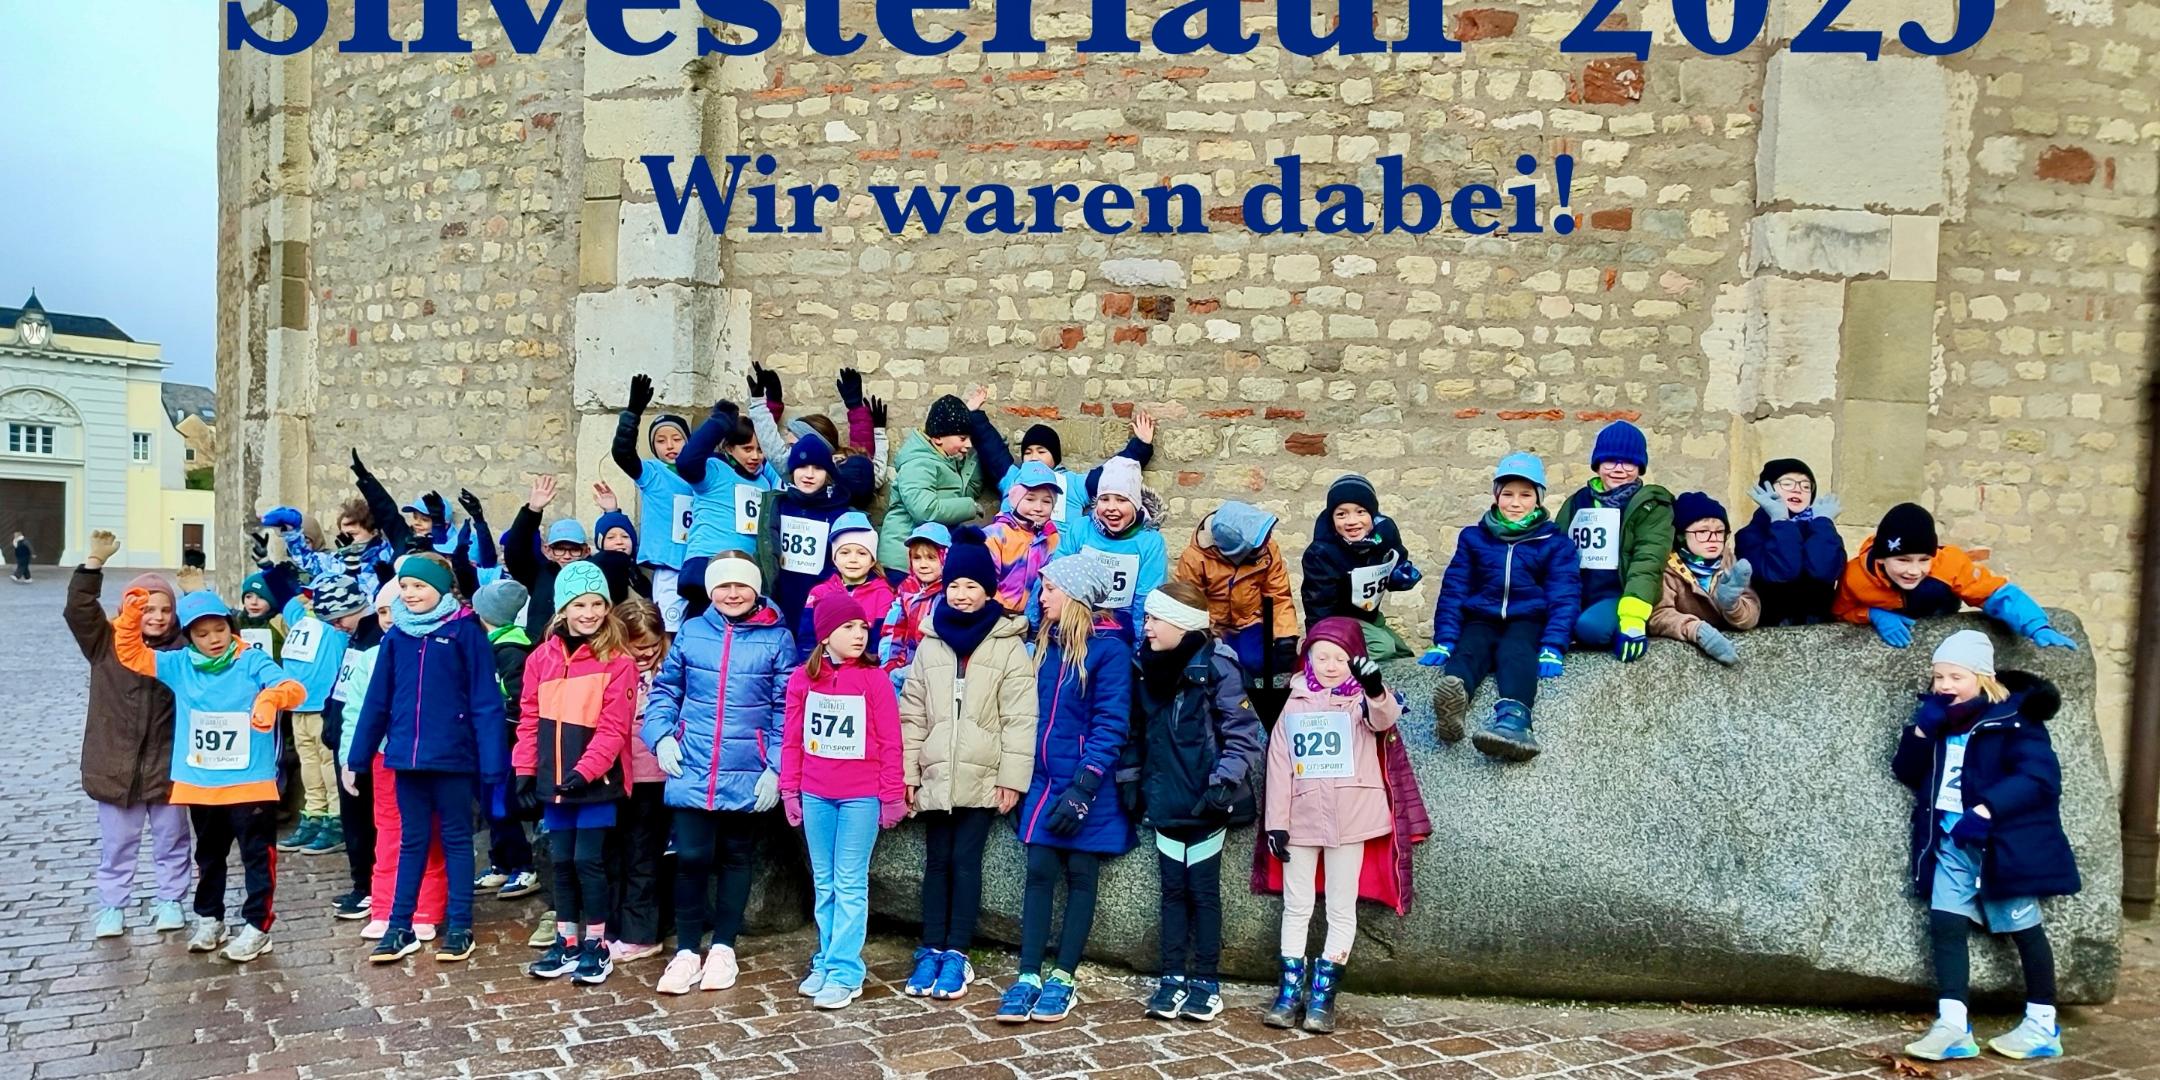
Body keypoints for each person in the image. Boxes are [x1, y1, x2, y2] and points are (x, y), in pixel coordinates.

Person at [1893, 631, 2078, 1062]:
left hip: (2000, 846)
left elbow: (2039, 778)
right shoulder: (1940, 720)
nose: (1945, 686)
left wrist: (1987, 809)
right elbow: (1906, 770)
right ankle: (1953, 1024)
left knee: (2023, 927)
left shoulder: (2014, 719)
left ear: (1982, 678)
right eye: (1939, 677)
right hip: (1951, 842)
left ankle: (2041, 1023)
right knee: (1945, 924)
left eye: (1955, 677)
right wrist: (1922, 729)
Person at [111, 582, 307, 963]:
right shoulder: (179, 665)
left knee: (256, 856)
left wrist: (271, 698)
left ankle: (257, 926)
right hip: (202, 782)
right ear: (189, 636)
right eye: (202, 634)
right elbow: (131, 654)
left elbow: (292, 688)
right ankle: (210, 918)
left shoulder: (250, 659)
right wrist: (132, 616)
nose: (214, 639)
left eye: (219, 629)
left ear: (231, 627)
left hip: (250, 782)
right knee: (209, 855)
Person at [898, 527, 1037, 1001]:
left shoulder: (1007, 643)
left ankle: (957, 951)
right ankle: (930, 947)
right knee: (936, 862)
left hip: (982, 774)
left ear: (988, 590)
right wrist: (909, 772)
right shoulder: (931, 641)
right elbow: (913, 712)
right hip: (936, 771)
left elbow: (1020, 717)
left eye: (971, 586)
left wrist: (1012, 779)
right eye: (954, 585)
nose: (961, 594)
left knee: (965, 862)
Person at [644, 553, 793, 996]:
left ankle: (724, 947)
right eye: (723, 586)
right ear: (711, 591)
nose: (732, 594)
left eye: (740, 585)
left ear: (755, 589)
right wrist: (661, 736)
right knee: (690, 857)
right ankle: (687, 950)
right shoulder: (692, 632)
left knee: (736, 857)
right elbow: (666, 690)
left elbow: (787, 707)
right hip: (692, 763)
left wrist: (776, 766)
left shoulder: (777, 638)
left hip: (746, 768)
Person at [349, 553, 508, 965]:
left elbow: (485, 701)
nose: (410, 593)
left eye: (419, 586)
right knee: (411, 841)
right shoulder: (396, 636)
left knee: (456, 840)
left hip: (453, 757)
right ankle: (399, 926)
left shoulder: (465, 631)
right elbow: (377, 700)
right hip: (406, 757)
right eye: (404, 586)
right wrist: (358, 756)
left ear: (439, 588)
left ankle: (460, 927)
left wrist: (494, 762)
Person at [998, 553, 1134, 1024]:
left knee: (1080, 872)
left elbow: (1111, 723)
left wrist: (1084, 786)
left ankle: (1063, 976)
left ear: (1075, 595)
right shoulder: (1045, 645)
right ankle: (1028, 974)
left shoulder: (1110, 651)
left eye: (1051, 589)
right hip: (1041, 779)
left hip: (1083, 783)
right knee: (1038, 869)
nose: (1042, 596)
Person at [1123, 582, 1265, 1022]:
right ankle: (1171, 977)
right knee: (1171, 892)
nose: (1146, 626)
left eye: (1154, 618)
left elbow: (1242, 732)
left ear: (1181, 624)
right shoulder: (1143, 666)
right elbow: (1135, 731)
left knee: (1202, 892)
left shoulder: (1218, 667)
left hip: (1206, 802)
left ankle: (1206, 980)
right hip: (1164, 797)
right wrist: (1130, 780)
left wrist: (1224, 782)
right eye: (1147, 617)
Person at [1259, 618, 1402, 1034]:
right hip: (1302, 816)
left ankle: (1323, 994)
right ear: (1309, 659)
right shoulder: (1293, 701)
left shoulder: (1360, 700)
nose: (1331, 666)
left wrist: (1375, 689)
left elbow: (1384, 720)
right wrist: (1276, 823)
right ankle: (1289, 991)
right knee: (1297, 905)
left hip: (1352, 815)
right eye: (1322, 657)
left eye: (1340, 658)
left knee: (1342, 906)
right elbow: (1279, 764)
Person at [516, 562, 641, 987]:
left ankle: (596, 943)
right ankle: (566, 941)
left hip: (596, 783)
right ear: (563, 609)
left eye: (597, 604)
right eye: (579, 604)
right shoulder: (541, 659)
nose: (589, 613)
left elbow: (614, 728)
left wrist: (586, 771)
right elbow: (528, 718)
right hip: (554, 782)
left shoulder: (618, 662)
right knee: (562, 861)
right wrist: (525, 770)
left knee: (589, 860)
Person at [781, 595, 908, 1010]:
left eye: (863, 628)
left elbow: (891, 741)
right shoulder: (802, 680)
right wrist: (789, 789)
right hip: (816, 793)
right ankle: (827, 957)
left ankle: (845, 972)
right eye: (848, 627)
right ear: (824, 635)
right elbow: (792, 739)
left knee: (850, 882)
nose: (859, 634)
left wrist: (891, 795)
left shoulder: (875, 680)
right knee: (824, 882)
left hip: (860, 796)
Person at [66, 530, 190, 939]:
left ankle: (171, 899)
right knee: (118, 844)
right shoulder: (105, 642)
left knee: (172, 839)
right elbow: (80, 611)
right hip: (114, 764)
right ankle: (112, 905)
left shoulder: (182, 648)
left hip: (167, 765)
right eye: (147, 608)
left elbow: (222, 635)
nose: (156, 617)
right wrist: (93, 564)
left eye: (165, 609)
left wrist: (197, 594)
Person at [1421, 453, 1580, 761]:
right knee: (1469, 649)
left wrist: (1553, 645)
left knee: (1516, 652)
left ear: (1538, 499)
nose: (1515, 503)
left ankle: (1515, 721)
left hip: (1527, 619)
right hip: (1482, 616)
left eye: (1525, 495)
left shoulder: (1554, 543)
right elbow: (1455, 589)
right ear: (1496, 496)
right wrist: (1445, 639)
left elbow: (1564, 595)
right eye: (1508, 494)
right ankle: (1454, 703)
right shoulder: (1474, 538)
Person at [1835, 503, 2078, 651]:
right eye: (1903, 560)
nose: (1914, 570)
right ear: (1881, 559)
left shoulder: (1949, 563)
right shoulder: (1856, 576)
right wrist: (1872, 614)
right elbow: (1840, 611)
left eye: (1924, 559)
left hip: (1938, 608)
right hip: (1891, 610)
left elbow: (1994, 592)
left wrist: (2036, 625)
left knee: (1931, 587)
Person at [1556, 421, 1675, 663]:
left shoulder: (1651, 505)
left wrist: (1633, 619)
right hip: (1578, 592)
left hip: (1622, 594)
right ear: (1598, 464)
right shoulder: (1577, 501)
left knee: (1590, 629)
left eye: (1629, 463)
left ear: (1640, 467)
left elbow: (1648, 560)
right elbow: (1556, 551)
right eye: (1610, 461)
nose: (1619, 470)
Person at [272, 572, 373, 857]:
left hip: (322, 706)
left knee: (329, 765)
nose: (311, 600)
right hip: (299, 706)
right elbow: (287, 600)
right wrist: (301, 592)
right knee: (309, 764)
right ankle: (314, 813)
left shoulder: (336, 628)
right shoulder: (302, 617)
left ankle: (335, 817)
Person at [968, 398, 1157, 546]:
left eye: (1041, 451)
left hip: (1056, 559)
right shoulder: (1013, 477)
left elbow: (1112, 473)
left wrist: (1140, 446)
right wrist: (974, 416)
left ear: (1055, 457)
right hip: (1011, 554)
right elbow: (992, 449)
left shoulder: (1072, 483)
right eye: (1028, 452)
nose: (1034, 457)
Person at [1173, 500, 1299, 694]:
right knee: (1223, 663)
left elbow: (1277, 594)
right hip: (1214, 625)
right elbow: (1189, 601)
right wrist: (1204, 632)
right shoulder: (1195, 559)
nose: (1268, 543)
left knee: (1255, 662)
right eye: (1260, 544)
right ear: (1238, 550)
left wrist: (1286, 637)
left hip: (1251, 619)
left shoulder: (1268, 549)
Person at [607, 599, 673, 963]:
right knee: (616, 852)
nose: (646, 653)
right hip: (616, 772)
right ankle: (614, 927)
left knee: (643, 854)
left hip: (653, 776)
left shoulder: (668, 670)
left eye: (652, 644)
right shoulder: (611, 668)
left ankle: (641, 934)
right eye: (638, 646)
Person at [676, 400, 784, 620]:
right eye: (747, 449)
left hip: (744, 569)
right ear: (728, 448)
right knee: (702, 629)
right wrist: (719, 423)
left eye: (760, 450)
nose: (755, 456)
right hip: (707, 563)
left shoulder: (764, 482)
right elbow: (686, 462)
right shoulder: (714, 469)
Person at [326, 580, 393, 922]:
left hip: (371, 747)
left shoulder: (377, 637)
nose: (336, 625)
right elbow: (344, 691)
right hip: (348, 739)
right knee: (355, 817)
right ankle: (362, 884)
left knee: (369, 820)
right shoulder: (356, 638)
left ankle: (370, 887)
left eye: (340, 617)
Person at [1300, 474, 1422, 661]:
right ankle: (1336, 664)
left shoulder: (1384, 535)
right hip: (1337, 622)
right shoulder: (1322, 553)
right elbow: (1318, 604)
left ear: (1372, 514)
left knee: (1403, 654)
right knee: (1383, 648)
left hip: (1370, 617)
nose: (1351, 521)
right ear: (1332, 519)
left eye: (1360, 512)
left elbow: (1396, 561)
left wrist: (1400, 577)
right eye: (1341, 514)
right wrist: (1319, 644)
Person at [471, 579, 541, 901]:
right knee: (490, 805)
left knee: (502, 806)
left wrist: (502, 729)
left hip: (505, 744)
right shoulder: (489, 646)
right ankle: (501, 862)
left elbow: (519, 701)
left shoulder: (510, 651)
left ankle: (523, 866)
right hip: (486, 743)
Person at [611, 373, 696, 632]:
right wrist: (632, 414)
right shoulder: (652, 472)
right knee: (667, 628)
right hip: (670, 565)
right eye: (661, 440)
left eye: (677, 439)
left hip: (699, 563)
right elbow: (623, 454)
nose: (670, 445)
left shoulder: (703, 474)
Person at [756, 431, 865, 626]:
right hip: (778, 601)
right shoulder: (777, 505)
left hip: (820, 605)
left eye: (818, 468)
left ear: (828, 473)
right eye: (802, 467)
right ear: (792, 470)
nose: (809, 474)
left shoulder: (840, 513)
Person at [1645, 492, 1762, 665]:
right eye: (1702, 531)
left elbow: (1751, 615)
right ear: (1681, 535)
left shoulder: (1728, 561)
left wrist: (1732, 606)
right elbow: (1659, 616)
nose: (1713, 539)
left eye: (1719, 532)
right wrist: (1697, 630)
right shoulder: (1667, 567)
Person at [875, 393, 984, 569]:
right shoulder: (918, 463)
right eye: (963, 438)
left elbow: (965, 490)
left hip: (924, 558)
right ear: (938, 438)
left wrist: (982, 452)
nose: (969, 444)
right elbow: (925, 510)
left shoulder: (945, 460)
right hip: (903, 560)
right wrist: (970, 507)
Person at [1734, 458, 1847, 626]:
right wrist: (1780, 520)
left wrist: (1823, 522)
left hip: (1820, 628)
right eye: (1787, 483)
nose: (1798, 489)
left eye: (1806, 486)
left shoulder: (1822, 530)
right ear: (1767, 489)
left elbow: (1824, 571)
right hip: (1772, 628)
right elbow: (1783, 571)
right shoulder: (1750, 535)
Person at [1069, 457, 1169, 643]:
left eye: (1122, 500)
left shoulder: (1150, 542)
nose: (1111, 508)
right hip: (1077, 620)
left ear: (1136, 504)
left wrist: (1139, 646)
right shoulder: (1080, 529)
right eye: (1104, 499)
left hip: (1123, 628)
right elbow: (1056, 581)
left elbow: (1146, 600)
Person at [797, 513, 896, 664]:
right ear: (834, 559)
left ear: (872, 560)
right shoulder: (819, 593)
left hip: (864, 670)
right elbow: (807, 640)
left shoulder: (884, 594)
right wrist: (811, 668)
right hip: (822, 670)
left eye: (862, 553)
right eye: (844, 552)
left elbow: (879, 643)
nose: (853, 559)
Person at [980, 461, 1065, 622]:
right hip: (996, 617)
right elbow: (985, 579)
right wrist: (1002, 613)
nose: (1038, 507)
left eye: (1046, 501)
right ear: (1015, 499)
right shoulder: (995, 535)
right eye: (1030, 499)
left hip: (1037, 618)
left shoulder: (1052, 538)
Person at [880, 523, 950, 690]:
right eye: (917, 558)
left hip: (938, 670)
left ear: (945, 558)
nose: (923, 564)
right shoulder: (906, 589)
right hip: (904, 665)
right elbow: (893, 629)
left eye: (931, 558)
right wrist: (890, 665)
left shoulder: (949, 593)